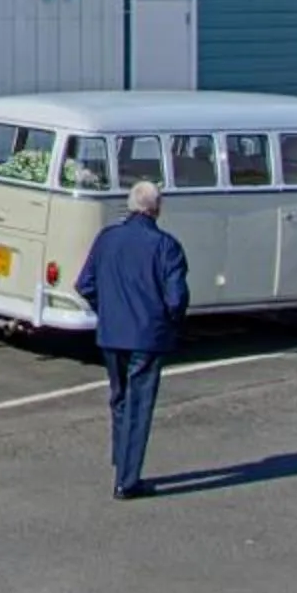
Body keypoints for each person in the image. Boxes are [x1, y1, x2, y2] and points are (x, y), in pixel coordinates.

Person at [77, 179, 190, 501]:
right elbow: (176, 298)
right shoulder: (166, 246)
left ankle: (121, 459)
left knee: (120, 398)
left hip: (112, 333)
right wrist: (171, 322)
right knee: (139, 404)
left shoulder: (107, 238)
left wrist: (107, 309)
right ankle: (127, 479)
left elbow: (85, 283)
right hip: (148, 335)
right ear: (157, 208)